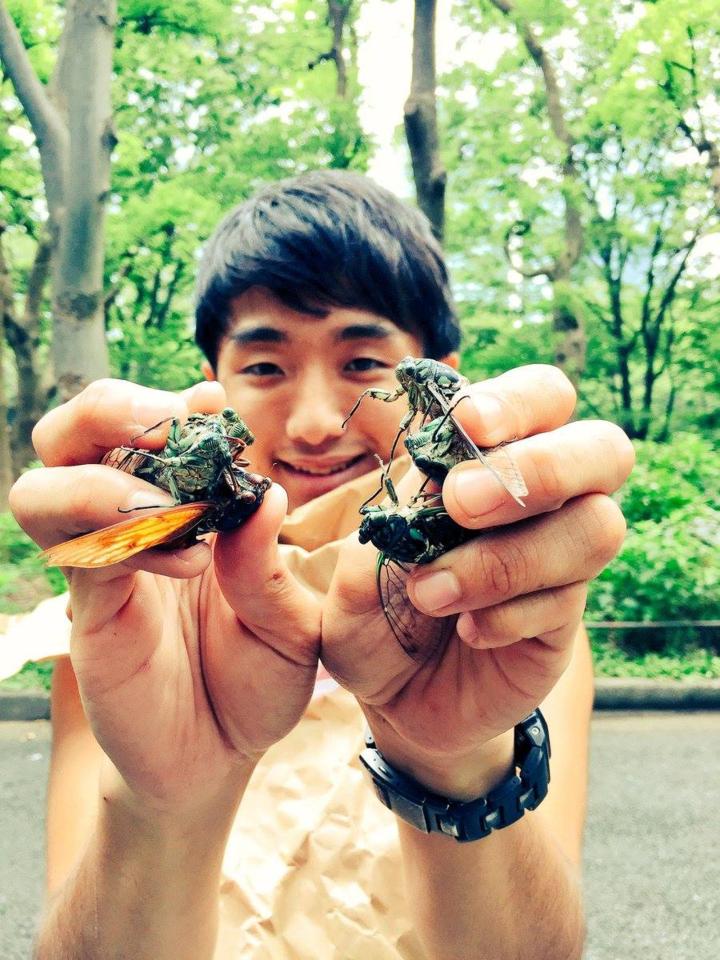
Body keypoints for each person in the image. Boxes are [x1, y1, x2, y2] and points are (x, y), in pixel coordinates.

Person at [10, 170, 633, 960]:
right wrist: (169, 806)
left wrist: (450, 758)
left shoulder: (501, 613)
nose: (311, 424)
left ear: (439, 379)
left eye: (366, 365)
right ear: (212, 389)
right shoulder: (125, 612)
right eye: (265, 367)